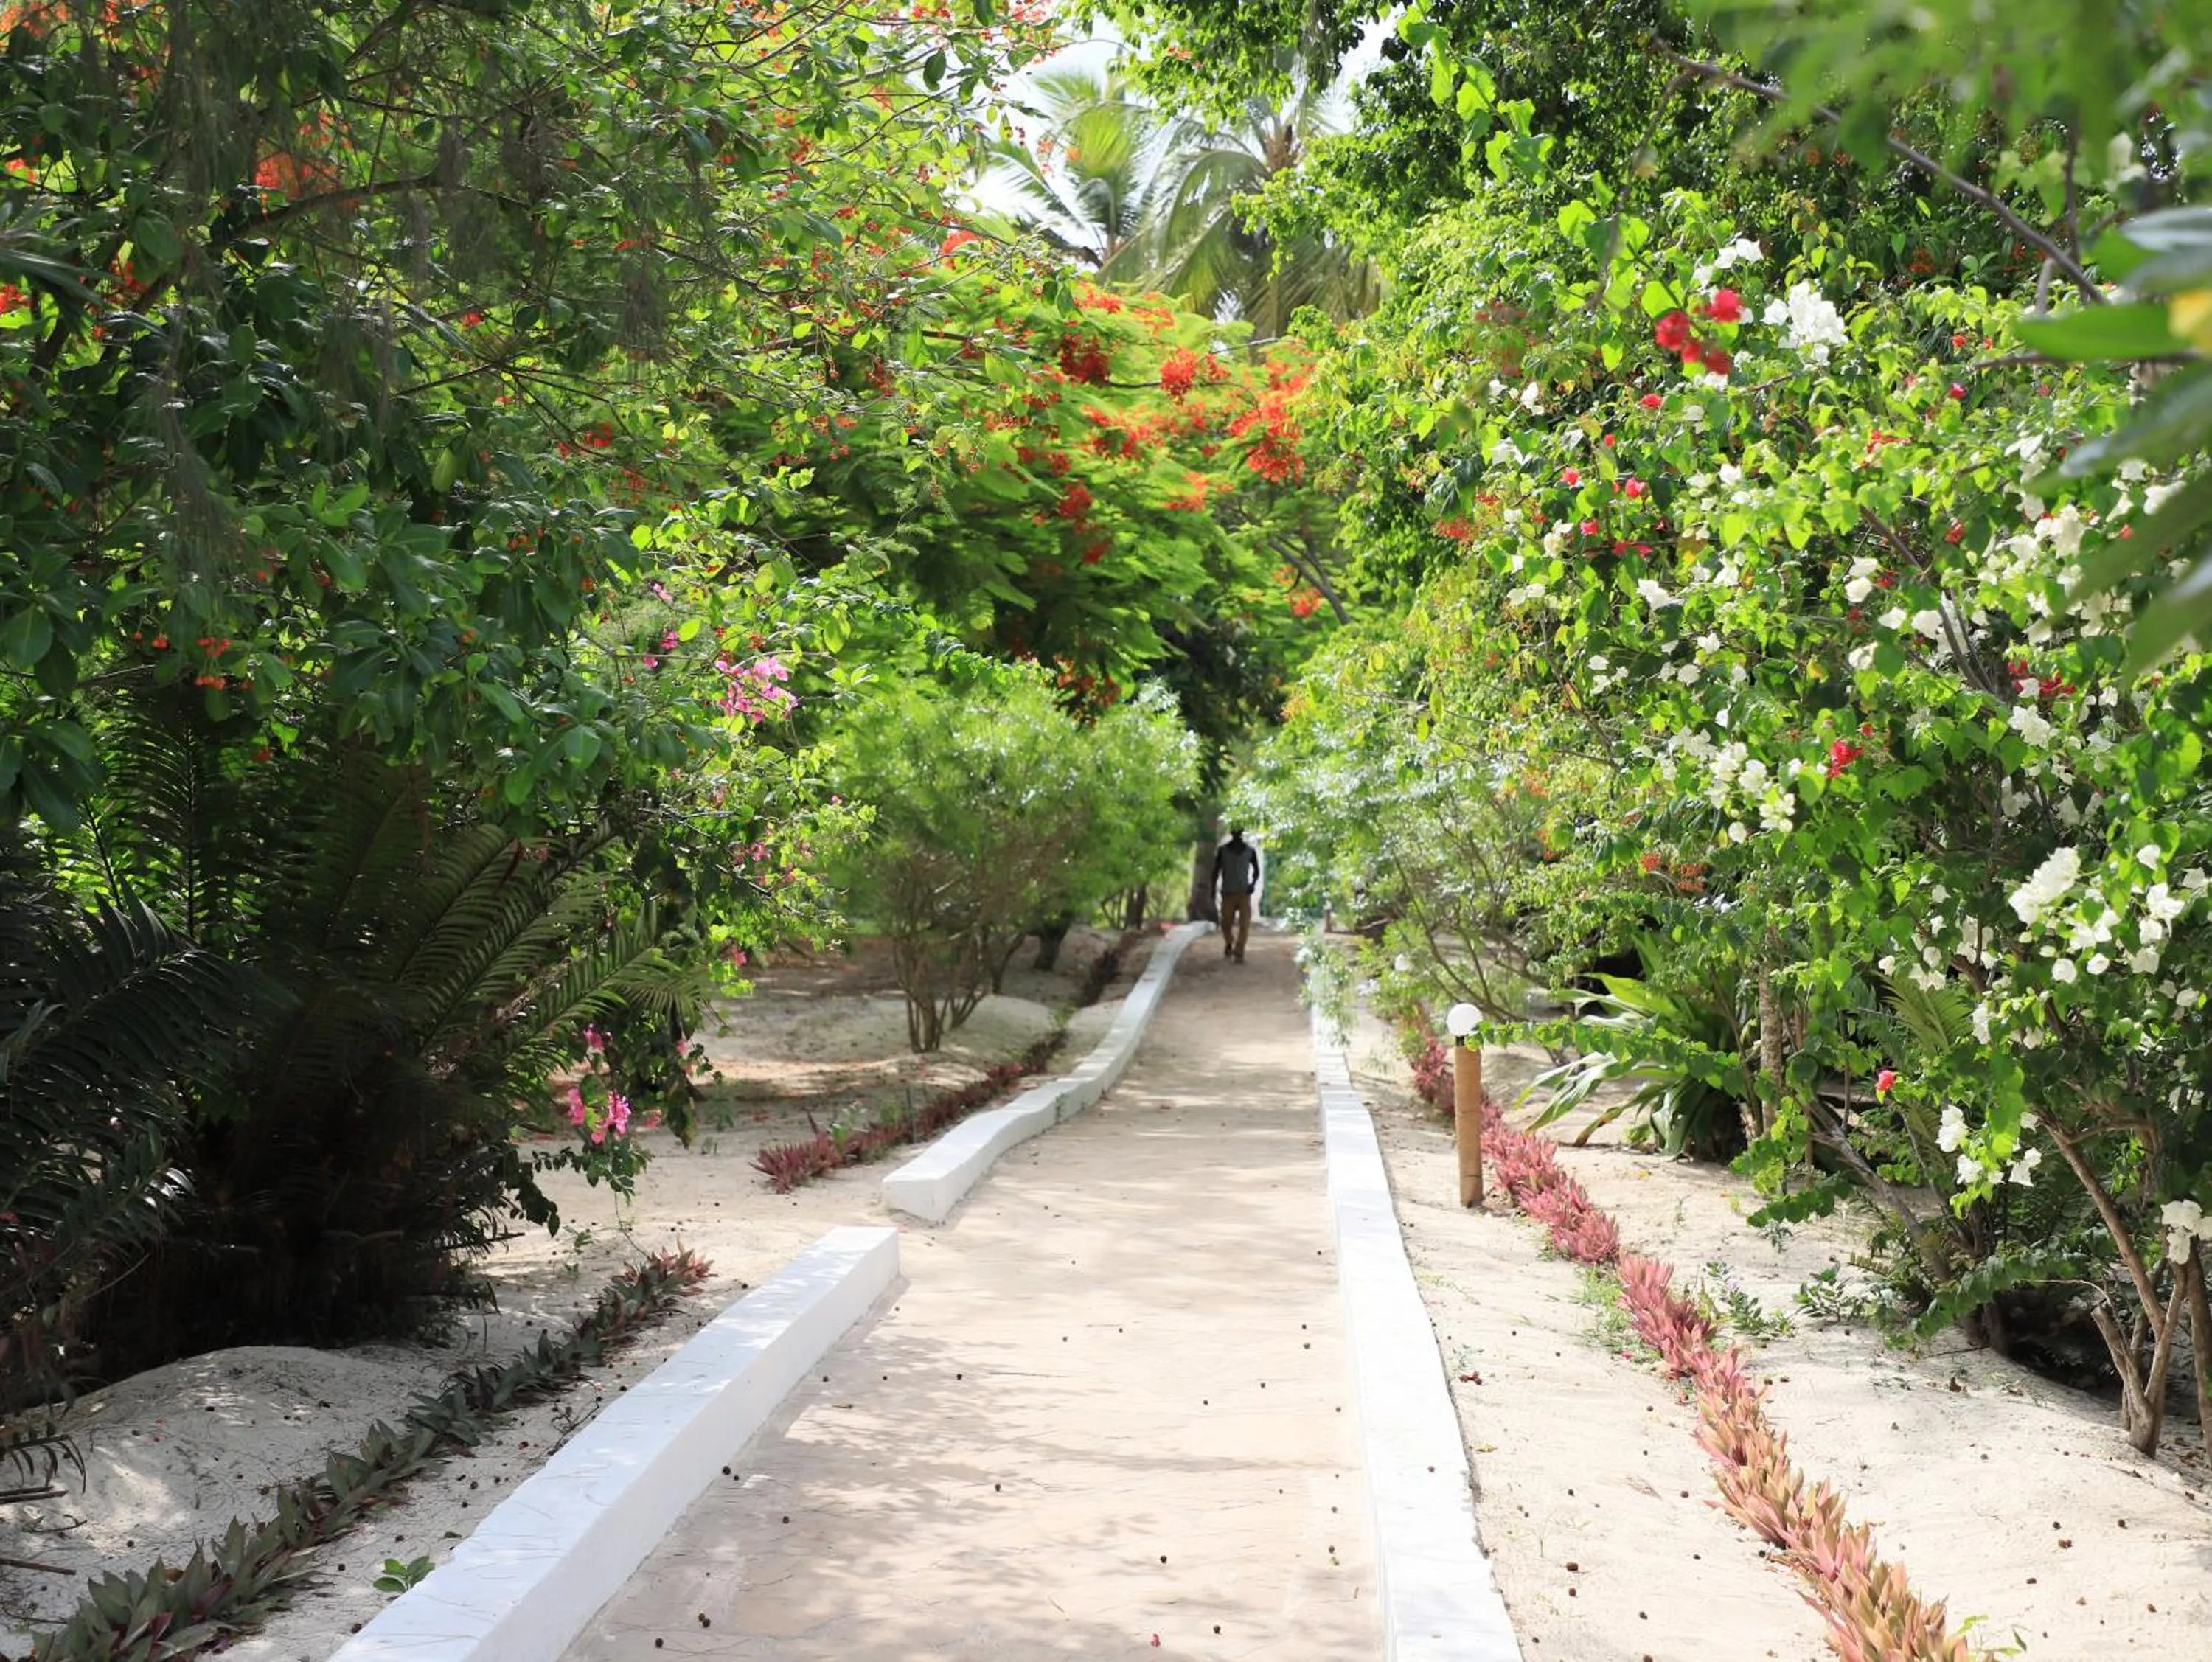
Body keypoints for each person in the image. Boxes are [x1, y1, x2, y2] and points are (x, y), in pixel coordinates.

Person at [1212, 828, 1261, 962]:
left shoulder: (1250, 851)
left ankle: (1239, 951)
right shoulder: (1223, 851)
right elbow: (1216, 870)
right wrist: (1212, 889)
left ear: (1242, 834)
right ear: (1231, 834)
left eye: (1239, 832)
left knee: (1244, 924)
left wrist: (1252, 884)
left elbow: (1257, 871)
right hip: (1227, 892)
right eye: (1235, 832)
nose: (1237, 835)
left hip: (1244, 892)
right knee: (1225, 923)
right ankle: (1229, 942)